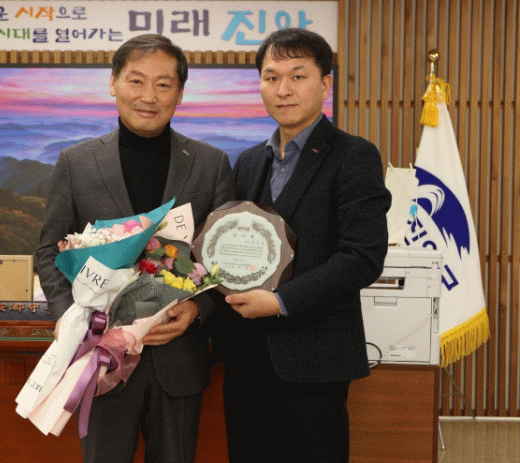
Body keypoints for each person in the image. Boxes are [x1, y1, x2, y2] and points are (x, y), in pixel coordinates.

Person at [36, 34, 234, 463]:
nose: (149, 96)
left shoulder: (211, 163)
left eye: (163, 85)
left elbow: (224, 258)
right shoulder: (76, 162)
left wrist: (198, 311)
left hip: (178, 358)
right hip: (100, 354)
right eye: (136, 80)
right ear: (113, 83)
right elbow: (49, 251)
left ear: (179, 93)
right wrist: (66, 319)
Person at [223, 28, 391, 462]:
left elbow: (362, 257)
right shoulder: (249, 162)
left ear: (325, 84)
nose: (283, 89)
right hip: (244, 360)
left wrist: (280, 301)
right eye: (271, 77)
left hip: (314, 360)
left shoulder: (354, 156)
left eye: (298, 76)